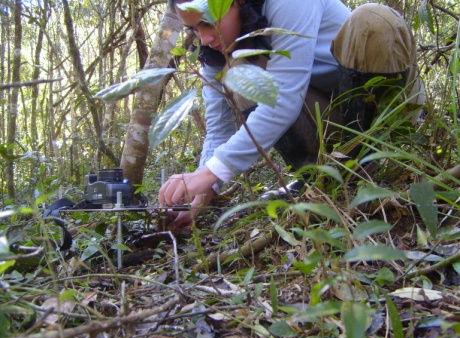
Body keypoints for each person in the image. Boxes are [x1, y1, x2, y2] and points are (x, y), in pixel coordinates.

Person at [159, 0, 424, 231]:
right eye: (194, 29)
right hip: (335, 121)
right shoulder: (219, 53)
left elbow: (283, 99)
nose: (204, 38)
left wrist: (208, 174)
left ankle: (376, 165)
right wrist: (202, 192)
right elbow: (219, 130)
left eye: (208, 22)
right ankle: (321, 177)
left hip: (387, 112)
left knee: (373, 19)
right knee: (238, 69)